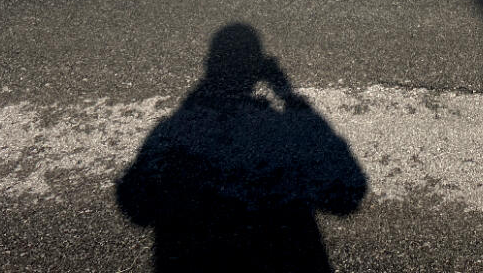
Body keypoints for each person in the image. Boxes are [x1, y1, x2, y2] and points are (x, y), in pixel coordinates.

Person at [117, 24, 366, 272]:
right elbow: (347, 195)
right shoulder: (268, 128)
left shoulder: (173, 130)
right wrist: (286, 91)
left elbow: (136, 205)